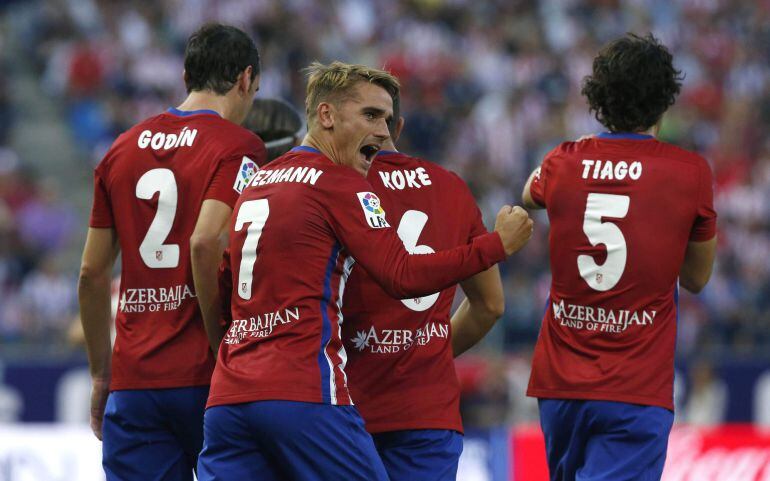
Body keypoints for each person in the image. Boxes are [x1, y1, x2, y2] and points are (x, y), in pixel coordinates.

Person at [197, 61, 533, 481]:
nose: (382, 130)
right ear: (326, 115)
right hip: (316, 394)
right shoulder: (343, 182)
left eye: (386, 119)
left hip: (231, 393)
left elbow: (219, 271)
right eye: (371, 116)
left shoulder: (258, 181)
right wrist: (496, 246)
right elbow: (403, 275)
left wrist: (224, 347)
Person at [521, 33, 717, 481]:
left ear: (599, 99)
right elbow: (696, 278)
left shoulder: (562, 161)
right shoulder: (690, 172)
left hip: (560, 385)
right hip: (634, 386)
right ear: (665, 101)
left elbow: (527, 194)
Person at [77, 23, 266, 481]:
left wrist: (102, 375)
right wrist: (222, 341)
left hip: (135, 379)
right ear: (245, 79)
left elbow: (90, 273)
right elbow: (206, 241)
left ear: (185, 75)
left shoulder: (120, 150)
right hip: (208, 377)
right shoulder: (240, 147)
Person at [341, 90, 505, 481]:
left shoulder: (335, 187)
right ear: (397, 126)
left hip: (343, 407)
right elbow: (490, 305)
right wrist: (429, 351)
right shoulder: (450, 187)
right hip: (427, 409)